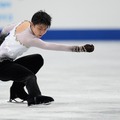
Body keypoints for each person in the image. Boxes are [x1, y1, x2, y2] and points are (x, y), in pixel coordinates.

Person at [0, 10, 94, 106]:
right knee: (29, 77)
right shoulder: (29, 39)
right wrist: (80, 48)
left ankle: (17, 91)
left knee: (37, 59)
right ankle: (35, 97)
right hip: (2, 67)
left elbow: (5, 29)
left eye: (45, 29)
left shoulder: (24, 23)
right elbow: (52, 46)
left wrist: (1, 39)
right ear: (32, 24)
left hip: (7, 63)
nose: (42, 32)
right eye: (40, 28)